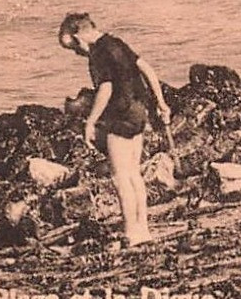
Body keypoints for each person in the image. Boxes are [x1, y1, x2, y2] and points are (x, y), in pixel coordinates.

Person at [57, 14, 170, 249]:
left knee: (120, 178)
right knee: (134, 175)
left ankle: (131, 231)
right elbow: (146, 68)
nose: (77, 53)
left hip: (119, 116)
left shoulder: (98, 53)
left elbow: (106, 89)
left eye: (73, 48)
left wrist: (90, 122)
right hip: (139, 111)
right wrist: (160, 102)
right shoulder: (116, 42)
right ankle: (143, 229)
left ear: (79, 36)